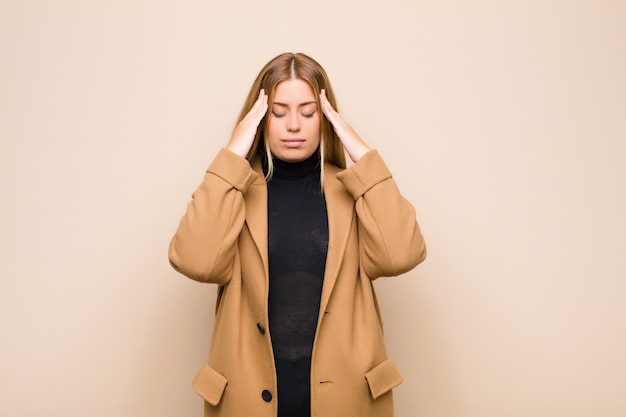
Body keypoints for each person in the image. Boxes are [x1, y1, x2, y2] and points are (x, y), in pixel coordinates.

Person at [168, 52, 426, 417]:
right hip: (247, 398)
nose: (293, 125)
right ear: (257, 119)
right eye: (277, 112)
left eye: (308, 112)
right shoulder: (235, 192)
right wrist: (231, 156)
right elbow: (196, 261)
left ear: (327, 118)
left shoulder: (352, 191)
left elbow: (401, 254)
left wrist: (363, 155)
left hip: (345, 399)